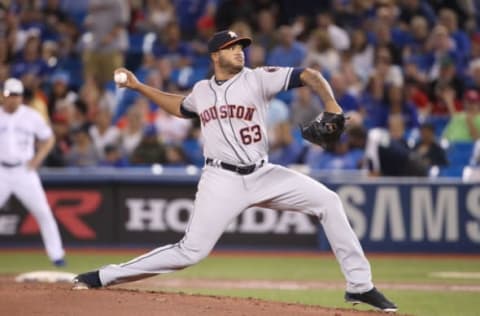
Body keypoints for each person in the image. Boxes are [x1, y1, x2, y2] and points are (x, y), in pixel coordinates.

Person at [73, 30, 397, 312]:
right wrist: (139, 86)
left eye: (241, 46)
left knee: (329, 202)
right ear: (215, 55)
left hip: (263, 173)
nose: (239, 50)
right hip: (221, 179)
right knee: (190, 252)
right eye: (231, 47)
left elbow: (310, 75)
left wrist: (333, 106)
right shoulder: (201, 91)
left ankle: (359, 285)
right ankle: (104, 276)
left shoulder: (257, 78)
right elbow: (180, 106)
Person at [0, 78, 65, 266]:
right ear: (4, 96)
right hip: (2, 171)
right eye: (10, 95)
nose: (13, 99)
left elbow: (49, 138)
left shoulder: (31, 116)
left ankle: (57, 255)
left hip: (24, 171)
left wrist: (38, 158)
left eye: (17, 95)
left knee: (43, 212)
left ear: (21, 97)